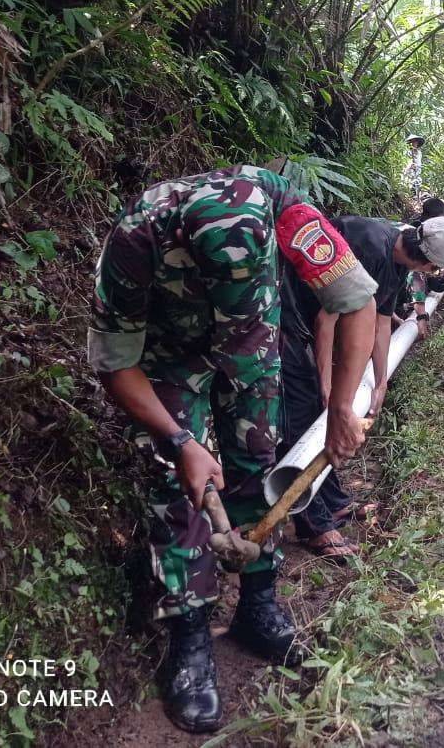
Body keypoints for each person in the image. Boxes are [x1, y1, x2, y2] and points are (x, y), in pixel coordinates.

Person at [88, 165, 378, 734]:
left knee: (259, 461)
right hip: (169, 352)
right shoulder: (135, 239)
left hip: (252, 339)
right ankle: (190, 636)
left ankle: (257, 604)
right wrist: (180, 441)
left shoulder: (284, 208)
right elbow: (115, 364)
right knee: (178, 484)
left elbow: (357, 301)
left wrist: (342, 407)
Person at [279, 216, 444, 560]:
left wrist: (381, 382)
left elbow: (381, 323)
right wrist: (328, 388)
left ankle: (334, 503)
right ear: (428, 263)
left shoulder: (398, 263)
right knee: (304, 410)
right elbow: (327, 321)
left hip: (311, 318)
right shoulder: (369, 247)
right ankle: (315, 527)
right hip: (284, 311)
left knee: (318, 409)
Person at [405, 134, 425, 200]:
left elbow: (419, 162)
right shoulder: (408, 152)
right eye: (413, 142)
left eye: (416, 142)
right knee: (410, 185)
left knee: (418, 184)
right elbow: (406, 161)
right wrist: (410, 165)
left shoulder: (419, 152)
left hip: (417, 172)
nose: (414, 143)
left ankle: (417, 198)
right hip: (410, 172)